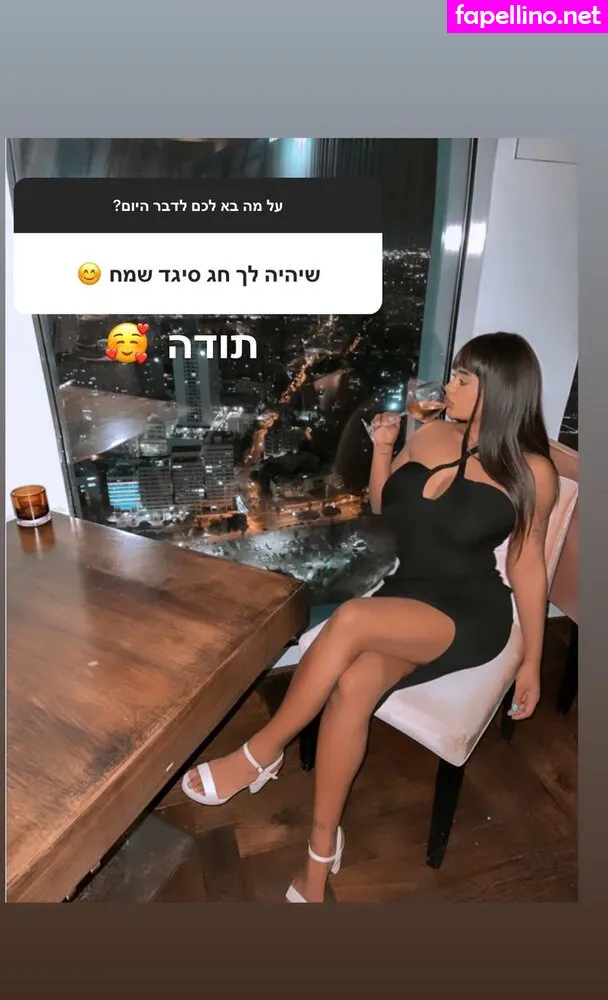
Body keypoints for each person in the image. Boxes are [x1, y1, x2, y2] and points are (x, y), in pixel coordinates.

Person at [182, 331, 558, 903]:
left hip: (469, 611)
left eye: (463, 378)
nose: (448, 385)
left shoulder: (532, 472)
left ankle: (261, 753)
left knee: (354, 619)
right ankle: (320, 853)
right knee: (354, 685)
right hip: (408, 593)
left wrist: (531, 659)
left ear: (499, 390)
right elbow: (387, 510)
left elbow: (528, 565)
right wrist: (385, 449)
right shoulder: (430, 432)